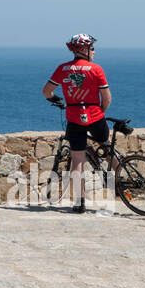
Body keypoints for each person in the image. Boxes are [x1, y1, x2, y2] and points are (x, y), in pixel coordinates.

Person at [42, 34, 111, 212]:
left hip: (73, 117)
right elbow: (107, 98)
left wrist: (55, 99)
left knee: (77, 160)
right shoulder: (96, 69)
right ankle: (118, 181)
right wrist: (100, 112)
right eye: (92, 48)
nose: (94, 51)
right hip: (95, 116)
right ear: (83, 49)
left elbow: (46, 92)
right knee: (107, 147)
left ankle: (79, 202)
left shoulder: (62, 68)